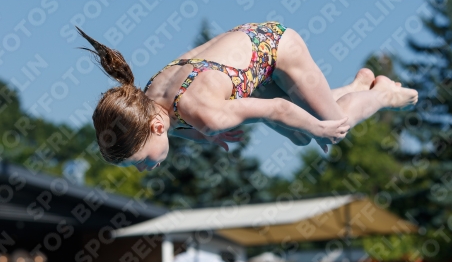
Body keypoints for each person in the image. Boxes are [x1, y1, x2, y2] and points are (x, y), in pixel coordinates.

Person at [76, 22, 418, 171]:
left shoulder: (205, 114)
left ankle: (382, 93)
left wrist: (322, 130)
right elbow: (180, 126)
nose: (146, 168)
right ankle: (357, 87)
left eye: (142, 161)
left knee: (334, 127)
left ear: (155, 128)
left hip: (276, 47)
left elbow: (278, 107)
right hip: (248, 67)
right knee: (300, 137)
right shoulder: (148, 99)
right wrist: (208, 136)